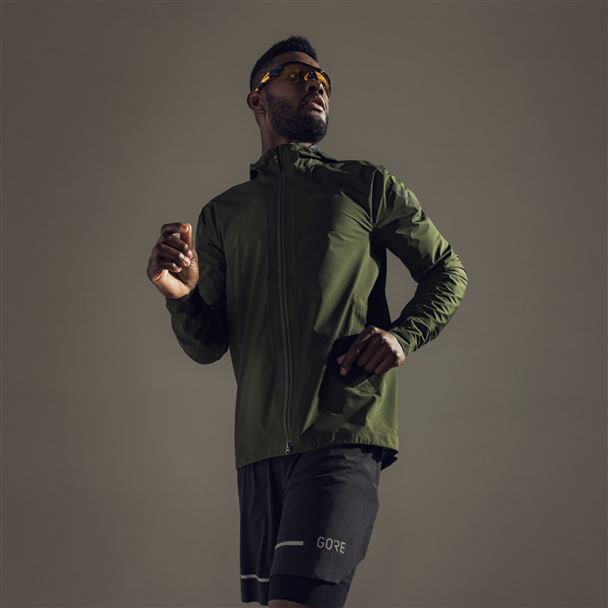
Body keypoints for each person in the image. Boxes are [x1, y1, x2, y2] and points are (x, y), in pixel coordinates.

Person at [146, 35, 468, 608]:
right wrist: (181, 295)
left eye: (324, 81)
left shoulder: (364, 185)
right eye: (297, 75)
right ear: (257, 98)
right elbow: (207, 343)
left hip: (341, 436)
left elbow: (447, 270)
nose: (316, 86)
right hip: (259, 455)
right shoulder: (223, 214)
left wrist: (403, 335)